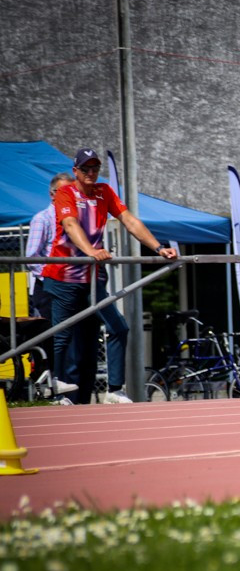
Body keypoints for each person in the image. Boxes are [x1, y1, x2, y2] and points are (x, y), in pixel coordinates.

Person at [43, 148, 178, 405]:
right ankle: (56, 388)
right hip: (63, 276)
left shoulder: (104, 191)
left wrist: (159, 248)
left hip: (93, 279)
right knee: (63, 334)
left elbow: (129, 220)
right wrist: (91, 251)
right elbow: (70, 224)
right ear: (76, 172)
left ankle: (114, 390)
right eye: (86, 169)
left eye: (95, 168)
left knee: (118, 328)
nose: (91, 173)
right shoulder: (66, 192)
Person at [23, 172, 79, 397]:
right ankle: (50, 385)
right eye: (64, 192)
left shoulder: (72, 220)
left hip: (68, 285)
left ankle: (63, 386)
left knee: (69, 334)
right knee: (53, 334)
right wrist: (49, 277)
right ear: (52, 194)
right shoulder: (42, 219)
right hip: (47, 287)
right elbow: (31, 257)